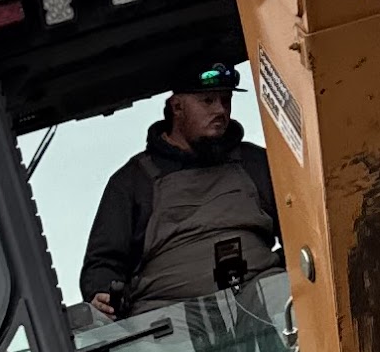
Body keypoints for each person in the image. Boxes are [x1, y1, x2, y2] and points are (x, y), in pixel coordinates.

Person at [78, 70, 282, 318]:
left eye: (225, 100)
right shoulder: (133, 181)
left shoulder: (256, 162)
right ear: (177, 107)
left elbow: (303, 229)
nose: (220, 110)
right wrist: (101, 292)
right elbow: (102, 264)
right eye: (207, 101)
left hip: (262, 296)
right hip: (171, 319)